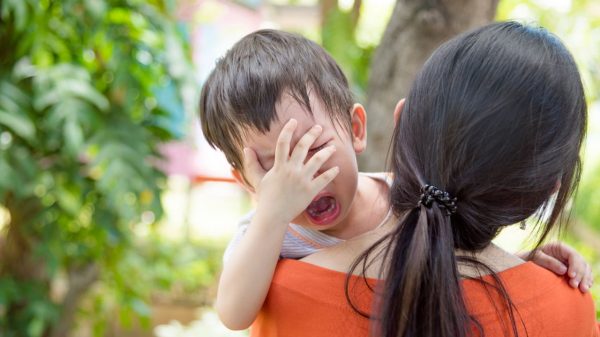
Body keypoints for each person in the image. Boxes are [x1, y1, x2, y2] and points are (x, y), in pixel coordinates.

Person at [198, 28, 593, 333]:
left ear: (356, 128)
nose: (301, 178)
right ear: (245, 181)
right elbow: (233, 313)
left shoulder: (406, 194)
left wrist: (518, 263)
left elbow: (444, 254)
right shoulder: (266, 235)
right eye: (273, 169)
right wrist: (271, 213)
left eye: (313, 149)